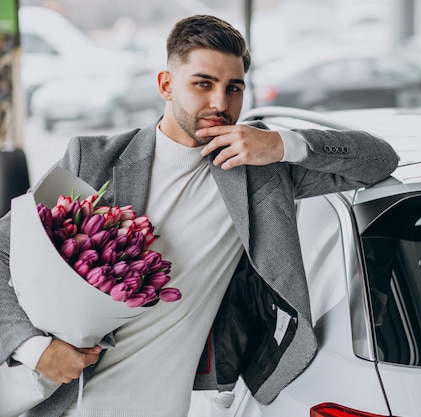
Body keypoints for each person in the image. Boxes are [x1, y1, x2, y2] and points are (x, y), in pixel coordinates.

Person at [0, 14, 399, 417]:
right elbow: (2, 251)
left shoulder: (259, 167)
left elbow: (380, 160)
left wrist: (282, 144)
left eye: (234, 88)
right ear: (166, 85)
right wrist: (34, 349)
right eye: (203, 84)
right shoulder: (94, 160)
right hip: (69, 400)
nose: (220, 104)